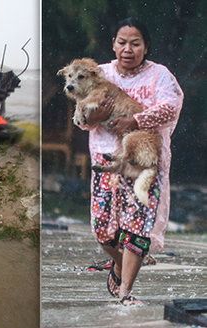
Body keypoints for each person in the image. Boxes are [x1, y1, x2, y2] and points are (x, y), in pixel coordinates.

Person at [82, 17, 183, 305]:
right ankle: (116, 264)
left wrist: (135, 119)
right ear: (113, 44)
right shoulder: (99, 73)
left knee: (136, 228)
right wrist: (95, 116)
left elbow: (170, 106)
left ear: (145, 47)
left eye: (135, 43)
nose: (128, 49)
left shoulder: (159, 75)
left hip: (143, 159)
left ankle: (125, 291)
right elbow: (82, 118)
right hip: (106, 158)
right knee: (102, 230)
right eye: (122, 42)